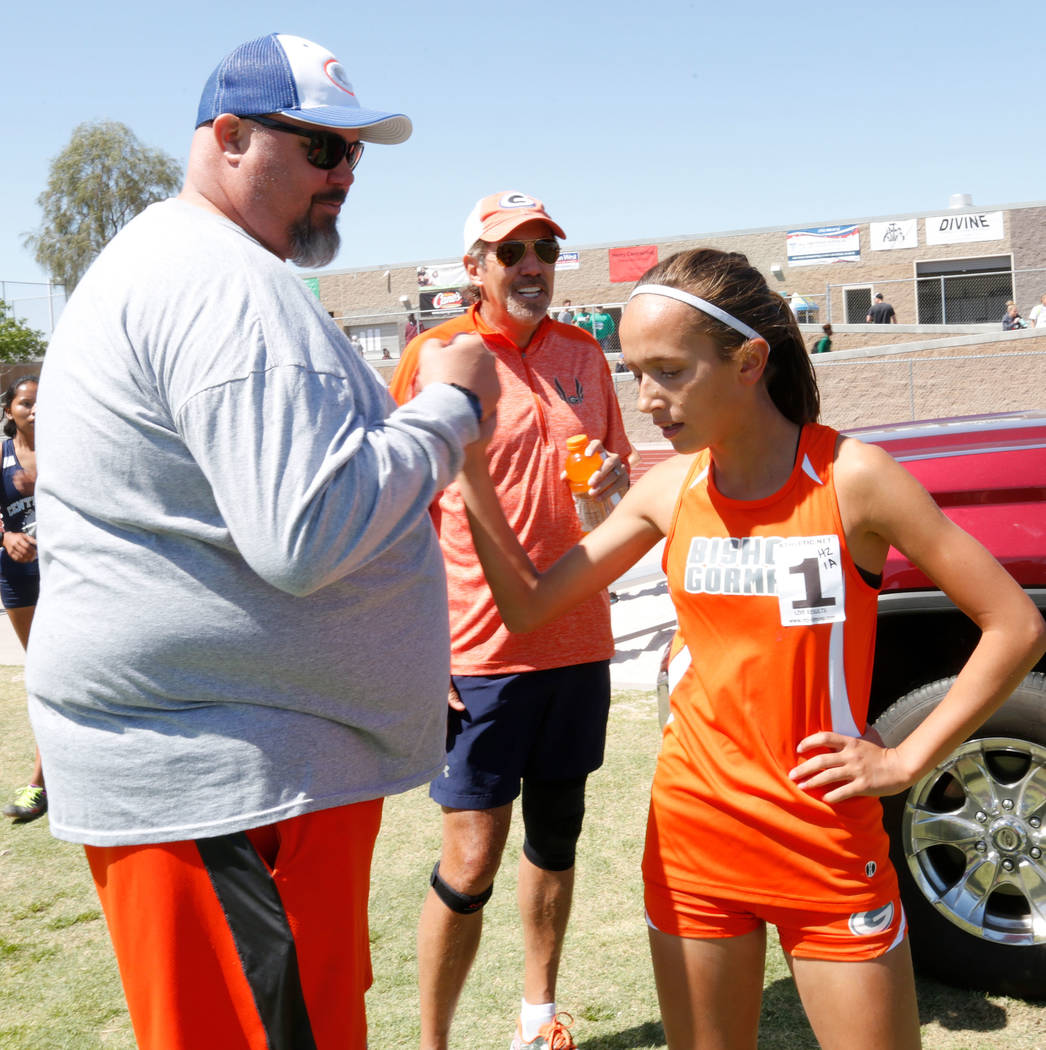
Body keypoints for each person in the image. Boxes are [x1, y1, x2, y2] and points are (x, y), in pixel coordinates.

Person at [26, 33, 498, 1050]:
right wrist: (449, 410)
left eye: (353, 154)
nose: (345, 175)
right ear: (230, 138)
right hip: (224, 787)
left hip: (238, 778)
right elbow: (309, 528)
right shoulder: (222, 283)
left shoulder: (192, 265)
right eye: (321, 150)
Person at [455, 248, 1046, 1050]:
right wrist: (470, 470)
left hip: (826, 841)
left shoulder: (853, 479)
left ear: (749, 361)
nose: (647, 398)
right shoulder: (669, 491)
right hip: (693, 835)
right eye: (635, 372)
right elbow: (527, 606)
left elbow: (1015, 626)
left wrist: (907, 762)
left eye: (668, 370)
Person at [389, 190, 632, 1050]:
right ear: (475, 269)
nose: (532, 266)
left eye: (544, 250)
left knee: (556, 840)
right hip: (477, 655)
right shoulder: (435, 357)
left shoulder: (584, 356)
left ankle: (537, 1020)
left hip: (577, 642)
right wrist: (423, 654)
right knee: (469, 863)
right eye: (511, 252)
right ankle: (433, 1043)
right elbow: (398, 515)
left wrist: (606, 492)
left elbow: (613, 495)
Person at [1, 376, 46, 824]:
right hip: (19, 576)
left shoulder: (67, 444)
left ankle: (39, 780)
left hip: (66, 572)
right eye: (26, 403)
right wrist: (6, 535)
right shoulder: (1, 453)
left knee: (63, 668)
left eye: (41, 403)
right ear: (10, 409)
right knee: (39, 671)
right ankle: (43, 780)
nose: (34, 410)